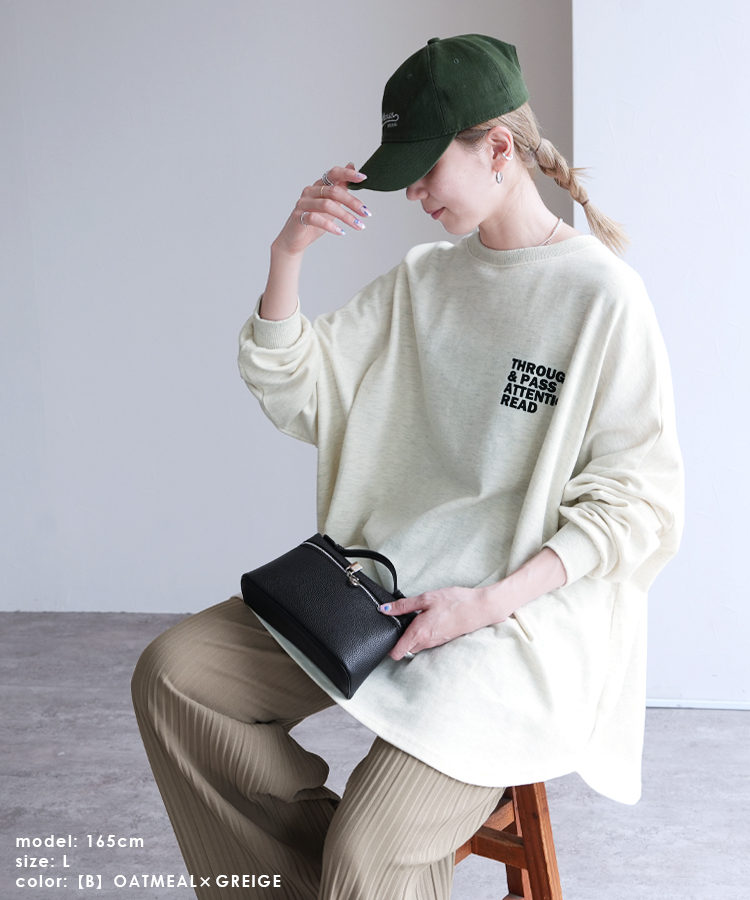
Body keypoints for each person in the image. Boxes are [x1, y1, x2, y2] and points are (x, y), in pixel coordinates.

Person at [132, 34, 683, 900]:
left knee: (368, 851)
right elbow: (302, 391)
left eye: (427, 169)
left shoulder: (602, 297)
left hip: (512, 628)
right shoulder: (424, 280)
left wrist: (484, 604)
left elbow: (638, 504)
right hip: (379, 590)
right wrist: (287, 258)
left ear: (497, 148)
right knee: (176, 680)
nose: (414, 193)